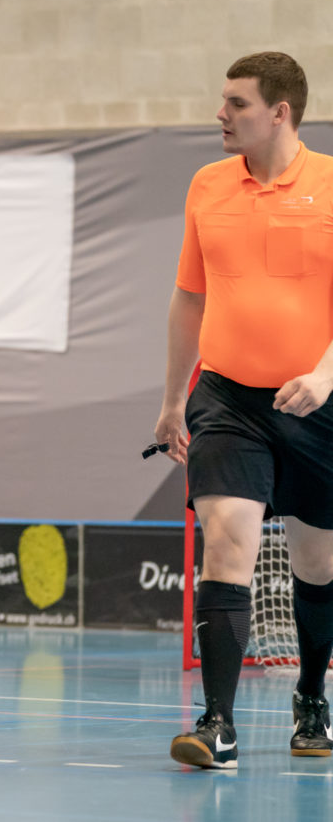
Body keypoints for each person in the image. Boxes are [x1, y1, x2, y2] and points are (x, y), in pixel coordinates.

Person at [153, 51, 333, 769]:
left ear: (280, 112)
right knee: (227, 541)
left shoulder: (330, 184)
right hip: (227, 399)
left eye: (236, 103)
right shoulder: (206, 186)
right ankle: (218, 722)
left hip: (319, 403)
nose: (220, 114)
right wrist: (172, 401)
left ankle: (312, 695)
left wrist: (324, 376)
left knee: (318, 565)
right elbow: (188, 297)